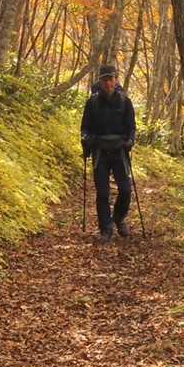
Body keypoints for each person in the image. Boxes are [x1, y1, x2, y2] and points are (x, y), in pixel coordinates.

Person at [80, 64, 136, 244]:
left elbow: (132, 128)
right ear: (100, 81)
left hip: (120, 151)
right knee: (102, 192)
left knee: (125, 190)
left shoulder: (125, 102)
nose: (107, 83)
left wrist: (130, 141)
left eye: (110, 79)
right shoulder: (92, 103)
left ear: (116, 80)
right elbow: (84, 128)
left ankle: (119, 218)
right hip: (100, 152)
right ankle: (106, 229)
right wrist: (87, 140)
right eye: (104, 79)